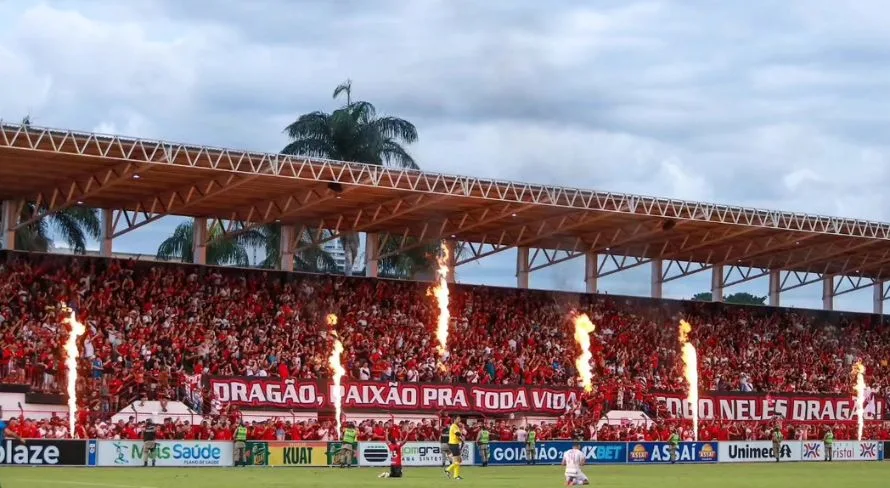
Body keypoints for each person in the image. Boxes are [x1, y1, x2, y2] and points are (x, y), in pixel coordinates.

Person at [444, 415, 464, 480]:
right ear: (454, 420)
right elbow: (457, 433)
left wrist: (461, 439)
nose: (459, 420)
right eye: (458, 419)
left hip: (455, 444)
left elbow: (457, 436)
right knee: (457, 460)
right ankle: (448, 470)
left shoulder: (456, 426)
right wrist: (462, 433)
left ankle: (455, 475)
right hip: (453, 444)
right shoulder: (454, 426)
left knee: (458, 460)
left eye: (460, 419)